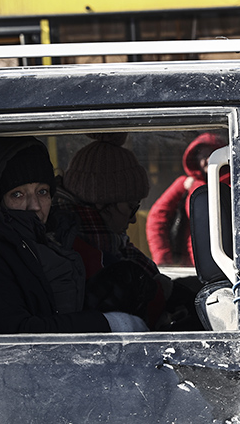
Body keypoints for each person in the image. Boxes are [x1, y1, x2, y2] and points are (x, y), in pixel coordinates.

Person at [0, 136, 147, 333]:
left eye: (42, 192)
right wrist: (110, 324)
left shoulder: (55, 241)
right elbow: (17, 334)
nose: (35, 206)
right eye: (17, 194)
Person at [50, 133, 188, 329]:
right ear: (101, 203)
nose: (133, 219)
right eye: (131, 206)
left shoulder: (111, 240)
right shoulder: (87, 247)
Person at [146, 132, 227, 266]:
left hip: (229, 266)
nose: (206, 160)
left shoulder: (236, 184)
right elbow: (156, 218)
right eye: (201, 155)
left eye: (211, 154)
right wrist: (163, 260)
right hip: (192, 266)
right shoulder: (185, 184)